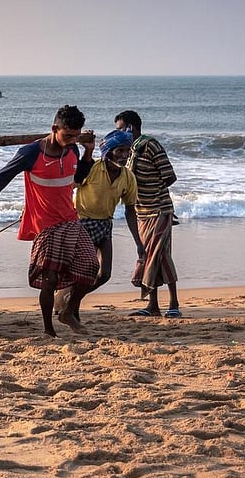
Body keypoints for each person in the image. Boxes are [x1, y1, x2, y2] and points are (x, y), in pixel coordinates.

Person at [0, 105, 97, 337]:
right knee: (50, 279)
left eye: (76, 136)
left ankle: (68, 312)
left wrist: (88, 153)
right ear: (54, 129)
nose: (72, 141)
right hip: (45, 224)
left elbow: (78, 178)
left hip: (71, 220)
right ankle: (49, 330)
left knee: (91, 266)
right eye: (68, 136)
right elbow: (1, 178)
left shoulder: (73, 150)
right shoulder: (31, 153)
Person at [54, 129, 142, 321]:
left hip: (105, 225)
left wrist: (138, 242)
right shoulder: (92, 168)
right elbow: (68, 186)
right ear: (109, 152)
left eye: (127, 151)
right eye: (119, 151)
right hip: (82, 223)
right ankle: (71, 310)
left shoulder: (128, 177)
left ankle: (70, 300)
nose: (124, 155)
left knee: (104, 274)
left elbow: (130, 211)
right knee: (83, 272)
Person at [115, 110, 181, 318]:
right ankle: (153, 305)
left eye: (121, 129)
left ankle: (174, 303)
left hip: (159, 209)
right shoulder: (128, 151)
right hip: (141, 212)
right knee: (151, 256)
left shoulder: (151, 145)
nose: (119, 134)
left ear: (131, 127)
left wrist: (151, 187)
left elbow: (169, 176)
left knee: (159, 255)